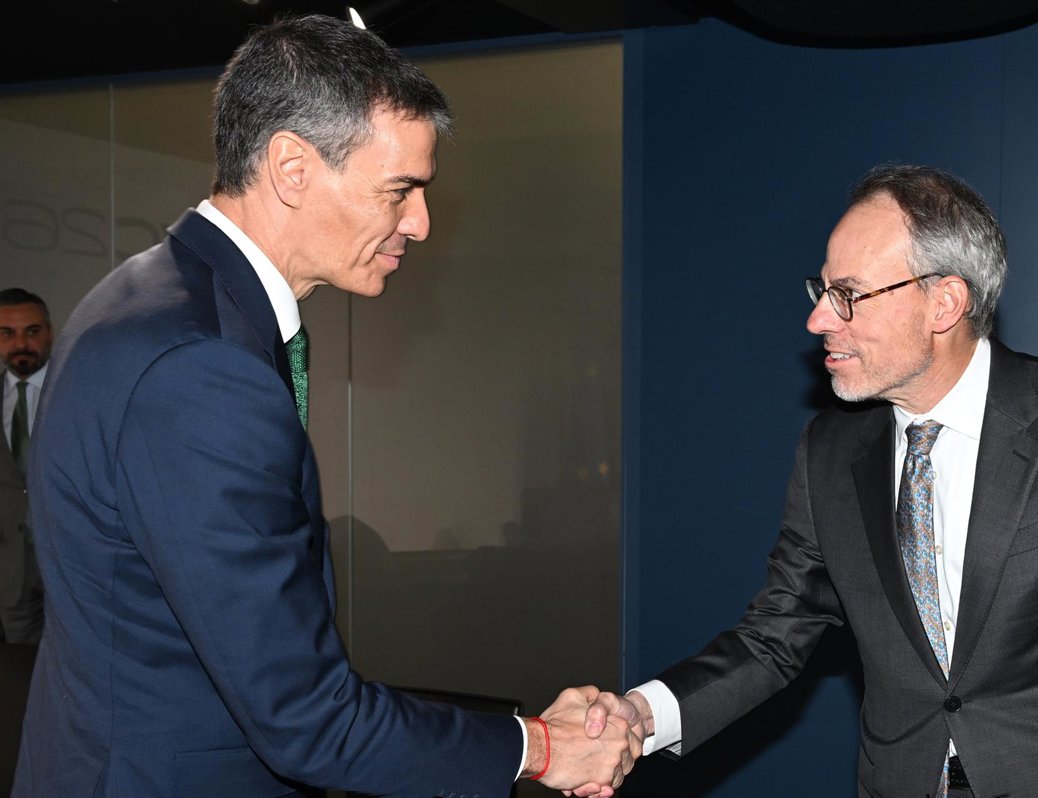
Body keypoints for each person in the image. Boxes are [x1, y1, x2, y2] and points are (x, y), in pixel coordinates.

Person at [14, 15, 636, 798]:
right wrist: (541, 747)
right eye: (399, 190)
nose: (420, 223)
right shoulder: (201, 367)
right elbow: (305, 718)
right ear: (292, 169)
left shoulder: (147, 295)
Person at [586, 164, 1038, 797]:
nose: (818, 320)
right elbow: (775, 634)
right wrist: (640, 715)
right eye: (821, 290)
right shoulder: (830, 451)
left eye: (848, 294)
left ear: (945, 303)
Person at [0, 288, 50, 645]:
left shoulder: (76, 391)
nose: (21, 344)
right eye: (7, 333)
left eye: (32, 331)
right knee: (18, 670)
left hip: (69, 565)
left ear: (49, 332)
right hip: (9, 573)